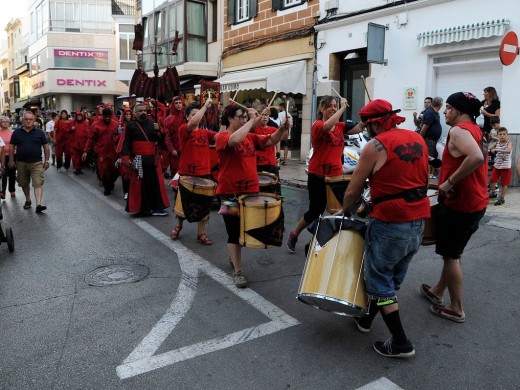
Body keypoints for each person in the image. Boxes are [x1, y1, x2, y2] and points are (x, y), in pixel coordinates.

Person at [338, 99, 429, 358]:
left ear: (376, 124)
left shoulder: (374, 146)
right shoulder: (417, 138)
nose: (365, 129)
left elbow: (353, 189)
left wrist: (345, 209)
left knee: (380, 283)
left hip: (390, 222)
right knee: (390, 278)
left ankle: (401, 342)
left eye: (367, 124)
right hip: (418, 219)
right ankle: (366, 320)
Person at [421, 92, 488, 324]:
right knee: (454, 252)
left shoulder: (458, 131)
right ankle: (439, 290)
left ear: (459, 111)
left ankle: (457, 308)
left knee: (450, 255)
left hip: (462, 204)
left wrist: (449, 181)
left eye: (449, 107)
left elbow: (476, 157)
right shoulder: (475, 129)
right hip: (475, 202)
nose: (446, 111)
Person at [216, 104, 289, 288]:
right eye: (240, 117)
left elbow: (270, 140)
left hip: (249, 192)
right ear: (230, 118)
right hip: (228, 193)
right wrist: (250, 121)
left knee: (245, 229)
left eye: (244, 117)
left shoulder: (249, 136)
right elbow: (234, 140)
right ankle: (238, 270)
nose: (243, 120)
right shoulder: (222, 137)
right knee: (233, 232)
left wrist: (282, 129)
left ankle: (233, 255)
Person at [286, 95, 362, 253]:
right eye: (330, 106)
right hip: (318, 175)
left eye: (335, 105)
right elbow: (327, 127)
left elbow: (359, 128)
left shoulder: (341, 126)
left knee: (339, 210)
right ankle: (294, 234)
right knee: (316, 210)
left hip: (336, 176)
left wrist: (369, 116)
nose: (333, 108)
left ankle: (323, 242)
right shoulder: (318, 125)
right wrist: (342, 108)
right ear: (322, 109)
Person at [170, 99, 217, 243]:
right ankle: (178, 226)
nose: (198, 117)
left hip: (204, 174)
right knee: (183, 203)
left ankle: (201, 234)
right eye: (194, 114)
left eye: (199, 114)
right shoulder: (184, 128)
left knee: (203, 205)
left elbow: (220, 137)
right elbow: (192, 124)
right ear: (187, 116)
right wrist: (204, 107)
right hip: (187, 173)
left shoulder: (205, 132)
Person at [119, 103, 170, 217]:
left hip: (152, 160)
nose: (143, 113)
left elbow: (160, 141)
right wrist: (125, 158)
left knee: (154, 185)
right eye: (140, 111)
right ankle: (143, 209)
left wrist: (159, 131)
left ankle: (157, 208)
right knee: (140, 187)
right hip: (138, 160)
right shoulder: (130, 126)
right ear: (135, 113)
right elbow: (126, 143)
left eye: (144, 111)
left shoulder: (153, 124)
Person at [7, 111, 50, 212]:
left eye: (30, 119)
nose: (28, 121)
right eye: (26, 119)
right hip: (21, 162)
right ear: (22, 120)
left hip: (36, 163)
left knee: (38, 183)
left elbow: (46, 147)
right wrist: (11, 160)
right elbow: (12, 147)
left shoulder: (39, 132)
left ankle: (38, 204)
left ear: (34, 120)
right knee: (24, 183)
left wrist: (47, 160)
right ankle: (28, 200)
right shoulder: (16, 132)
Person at [82, 108, 120, 196]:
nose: (107, 118)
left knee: (115, 170)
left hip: (113, 152)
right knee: (103, 170)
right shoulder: (95, 125)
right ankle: (107, 187)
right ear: (102, 116)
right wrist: (86, 151)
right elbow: (90, 139)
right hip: (102, 152)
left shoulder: (116, 124)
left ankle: (111, 182)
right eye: (105, 116)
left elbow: (120, 137)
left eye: (108, 116)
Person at [419, 96, 443, 179]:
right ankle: (427, 177)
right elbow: (424, 128)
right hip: (429, 140)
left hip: (433, 140)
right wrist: (420, 140)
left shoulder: (435, 113)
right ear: (440, 104)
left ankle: (431, 175)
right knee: (430, 158)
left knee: (433, 158)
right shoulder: (430, 113)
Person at [488, 127, 513, 206]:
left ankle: (502, 198)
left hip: (505, 167)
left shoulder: (509, 143)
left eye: (504, 134)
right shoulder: (497, 143)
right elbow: (488, 148)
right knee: (492, 180)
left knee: (504, 183)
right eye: (500, 134)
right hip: (497, 166)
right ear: (498, 135)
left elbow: (508, 150)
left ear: (507, 135)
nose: (502, 136)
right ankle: (493, 193)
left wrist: (497, 150)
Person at [163, 96, 185, 178]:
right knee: (176, 171)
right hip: (175, 150)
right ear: (173, 104)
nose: (179, 105)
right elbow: (167, 137)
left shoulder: (186, 117)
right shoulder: (168, 120)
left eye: (180, 103)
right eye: (176, 103)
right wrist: (172, 149)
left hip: (185, 148)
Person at [0, 115, 16, 198]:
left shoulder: (12, 132)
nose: (5, 123)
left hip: (12, 155)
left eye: (6, 121)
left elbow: (16, 144)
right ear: (0, 123)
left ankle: (12, 190)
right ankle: (3, 192)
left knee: (12, 174)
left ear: (9, 123)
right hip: (2, 156)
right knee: (4, 173)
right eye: (3, 121)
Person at [70, 110, 90, 175]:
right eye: (77, 116)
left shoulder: (85, 123)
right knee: (75, 157)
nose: (79, 117)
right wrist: (71, 129)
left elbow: (88, 133)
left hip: (83, 143)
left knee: (81, 157)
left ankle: (80, 168)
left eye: (80, 116)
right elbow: (68, 131)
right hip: (74, 143)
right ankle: (77, 169)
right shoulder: (73, 123)